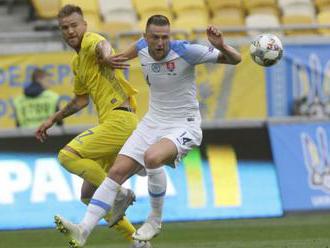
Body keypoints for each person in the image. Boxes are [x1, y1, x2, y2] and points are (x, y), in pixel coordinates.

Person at [55, 14, 241, 246]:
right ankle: (82, 231)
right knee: (116, 172)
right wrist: (107, 59)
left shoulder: (186, 51)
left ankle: (154, 220)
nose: (160, 43)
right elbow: (118, 54)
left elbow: (235, 59)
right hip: (152, 122)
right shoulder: (141, 47)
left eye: (165, 37)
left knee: (152, 157)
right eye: (155, 37)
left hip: (184, 123)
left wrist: (222, 45)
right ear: (146, 37)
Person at [35, 4, 151, 248]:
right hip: (113, 123)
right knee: (88, 196)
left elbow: (102, 45)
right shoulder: (78, 64)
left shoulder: (91, 41)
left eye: (74, 25)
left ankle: (119, 193)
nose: (69, 31)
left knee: (67, 156)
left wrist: (108, 56)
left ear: (84, 26)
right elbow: (80, 100)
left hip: (120, 120)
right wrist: (52, 119)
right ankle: (137, 241)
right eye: (64, 28)